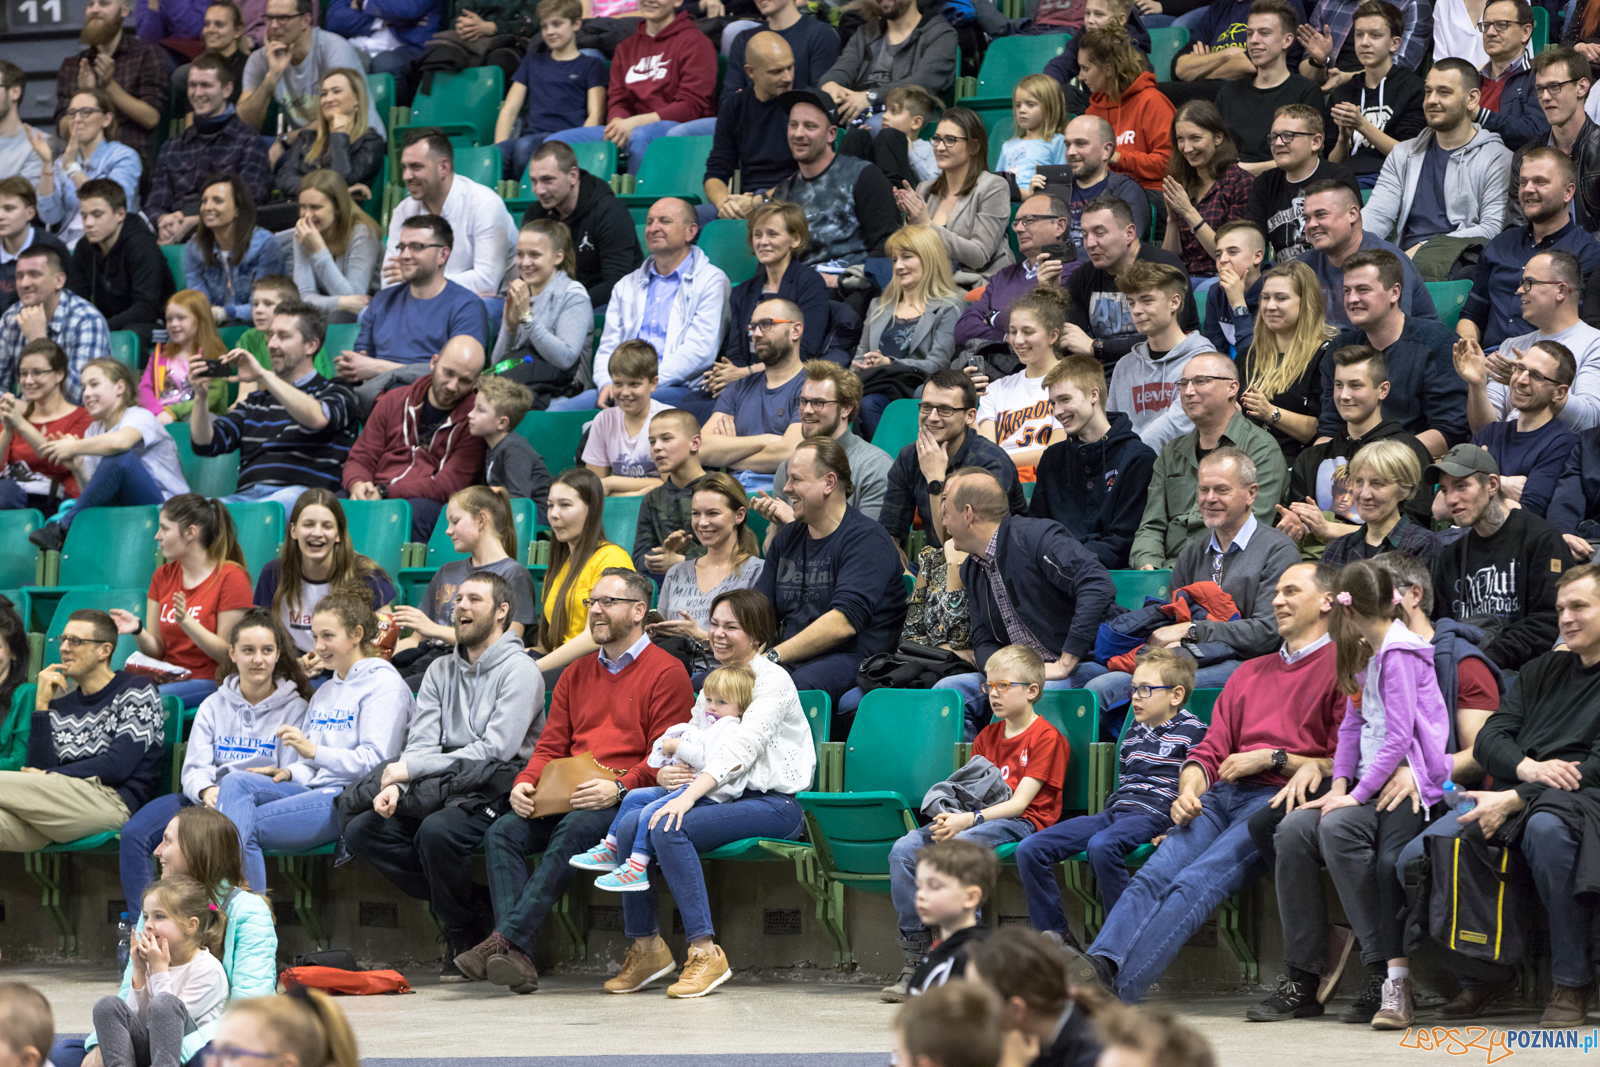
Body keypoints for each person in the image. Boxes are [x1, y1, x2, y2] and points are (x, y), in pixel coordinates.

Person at [1066, 561, 1345, 1004]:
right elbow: (1209, 750)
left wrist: (1272, 758)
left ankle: (1113, 997)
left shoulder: (1343, 667)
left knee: (1193, 882)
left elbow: (1345, 763)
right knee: (1152, 876)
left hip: (1279, 798)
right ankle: (1099, 965)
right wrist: (1189, 790)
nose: (1277, 599)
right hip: (1219, 797)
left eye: (1292, 591)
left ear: (1327, 601)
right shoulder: (1250, 672)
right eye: (1277, 592)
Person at [455, 568, 692, 992]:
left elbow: (667, 756)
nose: (595, 610)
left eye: (607, 602)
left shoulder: (667, 671)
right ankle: (518, 954)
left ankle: (501, 940)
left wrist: (618, 788)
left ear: (639, 611)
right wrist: (525, 783)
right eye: (591, 602)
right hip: (569, 790)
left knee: (575, 828)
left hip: (625, 795)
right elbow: (549, 747)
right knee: (503, 832)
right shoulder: (576, 673)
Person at [1248, 559, 1451, 1028]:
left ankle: (1382, 971)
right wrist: (1338, 785)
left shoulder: (1400, 653)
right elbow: (1353, 723)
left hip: (1407, 778)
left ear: (1350, 611)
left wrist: (1354, 796)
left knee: (1337, 826)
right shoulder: (1368, 649)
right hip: (1365, 779)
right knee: (1294, 827)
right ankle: (1303, 974)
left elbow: (1400, 737)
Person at [575, 605, 814, 998]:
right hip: (720, 795)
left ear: (756, 637)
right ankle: (646, 946)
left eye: (731, 627)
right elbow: (695, 743)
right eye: (714, 625)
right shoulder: (713, 681)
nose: (717, 634)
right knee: (634, 812)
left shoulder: (774, 681)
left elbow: (738, 749)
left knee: (670, 824)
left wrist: (685, 797)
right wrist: (670, 773)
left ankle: (705, 952)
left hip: (774, 804)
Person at [340, 569, 545, 970]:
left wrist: (410, 769)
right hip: (439, 783)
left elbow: (495, 750)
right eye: (460, 599)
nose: (461, 606)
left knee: (438, 832)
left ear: (502, 611)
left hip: (497, 782)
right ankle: (471, 909)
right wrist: (399, 784)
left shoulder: (521, 670)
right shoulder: (439, 670)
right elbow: (421, 741)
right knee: (362, 831)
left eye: (475, 600)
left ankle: (461, 930)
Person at [1436, 563, 1600, 1027]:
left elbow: (1595, 768)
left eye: (1580, 607)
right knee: (1428, 847)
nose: (1565, 618)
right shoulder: (1541, 669)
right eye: (1561, 608)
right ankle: (1484, 971)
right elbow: (1490, 740)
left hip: (1586, 798)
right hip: (1525, 790)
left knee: (1547, 833)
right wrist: (1526, 769)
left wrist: (1517, 796)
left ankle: (1572, 978)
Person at [886, 645, 1069, 992]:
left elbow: (1019, 804)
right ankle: (918, 958)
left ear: (1032, 691)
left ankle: (967, 960)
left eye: (1004, 686)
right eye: (989, 686)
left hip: (1024, 822)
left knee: (961, 849)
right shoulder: (986, 737)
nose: (994, 694)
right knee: (904, 849)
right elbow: (972, 793)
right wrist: (948, 818)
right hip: (975, 817)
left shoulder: (1047, 738)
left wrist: (967, 822)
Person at [215, 590, 412, 889]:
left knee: (241, 828)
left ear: (357, 634)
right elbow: (311, 765)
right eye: (315, 636)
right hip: (311, 788)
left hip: (348, 798)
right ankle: (237, 911)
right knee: (234, 782)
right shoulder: (325, 691)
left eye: (328, 636)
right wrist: (290, 771)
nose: (318, 647)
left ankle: (245, 921)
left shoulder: (385, 686)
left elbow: (377, 764)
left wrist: (314, 752)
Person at [116, 610, 309, 905]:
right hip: (206, 798)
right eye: (248, 650)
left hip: (259, 801)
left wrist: (237, 790)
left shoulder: (295, 708)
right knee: (136, 833)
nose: (258, 659)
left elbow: (287, 774)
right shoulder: (213, 704)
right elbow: (194, 768)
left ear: (278, 654)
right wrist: (206, 790)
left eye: (267, 650)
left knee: (227, 828)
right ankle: (144, 933)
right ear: (232, 653)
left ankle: (241, 926)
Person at [1017, 648, 1208, 945]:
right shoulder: (1132, 731)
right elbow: (1126, 783)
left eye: (1145, 690)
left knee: (1103, 845)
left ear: (1176, 694)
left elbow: (1202, 789)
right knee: (1030, 848)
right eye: (1133, 689)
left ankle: (1122, 945)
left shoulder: (1195, 731)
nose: (1135, 697)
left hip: (1155, 814)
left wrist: (1176, 830)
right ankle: (1056, 939)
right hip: (1117, 812)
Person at [934, 469, 1116, 729]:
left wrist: (1066, 661)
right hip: (1020, 678)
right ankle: (977, 770)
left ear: (968, 513)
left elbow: (1097, 584)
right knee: (947, 691)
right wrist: (999, 675)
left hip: (1084, 662)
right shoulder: (972, 568)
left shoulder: (1038, 537)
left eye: (946, 514)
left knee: (1037, 694)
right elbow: (983, 636)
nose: (943, 524)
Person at [575, 660, 765, 893]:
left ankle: (637, 868)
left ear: (742, 707)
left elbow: (710, 761)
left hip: (708, 794)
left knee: (649, 811)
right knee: (634, 797)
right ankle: (611, 847)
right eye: (710, 700)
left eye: (722, 702)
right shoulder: (710, 724)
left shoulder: (731, 726)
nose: (712, 707)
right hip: (683, 786)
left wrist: (677, 746)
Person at [0, 607, 162, 852]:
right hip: (53, 808)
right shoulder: (61, 703)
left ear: (104, 650)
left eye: (75, 641)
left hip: (110, 802)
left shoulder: (137, 690)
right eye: (63, 639)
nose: (64, 647)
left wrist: (49, 776)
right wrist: (42, 707)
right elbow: (40, 769)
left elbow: (118, 765)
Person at [759, 436, 906, 704]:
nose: (787, 488)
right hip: (795, 659)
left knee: (795, 686)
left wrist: (773, 657)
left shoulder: (867, 539)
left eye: (796, 480)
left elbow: (842, 624)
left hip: (857, 659)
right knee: (718, 683)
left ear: (829, 482)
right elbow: (759, 612)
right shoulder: (787, 538)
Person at [553, 199, 730, 414]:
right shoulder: (625, 284)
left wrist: (642, 385)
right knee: (558, 414)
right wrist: (608, 383)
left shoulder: (712, 280)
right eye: (649, 222)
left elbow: (700, 352)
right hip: (622, 387)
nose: (653, 228)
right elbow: (608, 347)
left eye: (664, 221)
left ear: (690, 231)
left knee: (627, 412)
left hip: (678, 388)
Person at [190, 302, 358, 510]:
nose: (272, 344)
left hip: (304, 499)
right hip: (247, 498)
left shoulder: (337, 390)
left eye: (283, 336)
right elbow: (206, 443)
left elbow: (317, 418)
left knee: (273, 507)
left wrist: (263, 375)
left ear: (311, 346)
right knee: (176, 515)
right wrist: (201, 396)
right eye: (271, 335)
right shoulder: (256, 401)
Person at [1361, 60, 1514, 282]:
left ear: (1471, 99)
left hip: (1458, 259)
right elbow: (1378, 214)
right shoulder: (1403, 153)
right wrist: (1350, 240)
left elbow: (1492, 228)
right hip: (1405, 260)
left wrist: (1426, 248)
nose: (1432, 100)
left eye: (1444, 92)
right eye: (1428, 92)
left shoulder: (1497, 157)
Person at [1129, 355, 1288, 567]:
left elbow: (1250, 531)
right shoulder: (1171, 452)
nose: (1188, 391)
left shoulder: (1261, 449)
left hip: (1225, 571)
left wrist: (1182, 574)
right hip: (1164, 572)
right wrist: (1148, 565)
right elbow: (1151, 526)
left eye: (1201, 381)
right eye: (1183, 383)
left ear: (1232, 388)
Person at [1429, 443, 1571, 670]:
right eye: (1445, 490)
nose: (1451, 499)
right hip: (1464, 672)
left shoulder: (1541, 540)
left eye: (1461, 486)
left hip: (1522, 676)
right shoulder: (1452, 555)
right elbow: (1441, 624)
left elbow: (1549, 622)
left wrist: (1483, 660)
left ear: (1492, 485)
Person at [1280, 344, 1435, 550]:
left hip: (1385, 563)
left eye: (1355, 385)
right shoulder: (1312, 457)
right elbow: (1301, 518)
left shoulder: (1409, 452)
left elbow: (1415, 532)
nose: (1344, 395)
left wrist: (1330, 530)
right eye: (1338, 385)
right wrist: (1296, 525)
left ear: (1383, 390)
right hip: (1319, 562)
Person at [25, 359, 188, 554]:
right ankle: (64, 530)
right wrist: (78, 467)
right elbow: (96, 492)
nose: (86, 393)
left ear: (119, 387)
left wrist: (75, 446)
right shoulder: (94, 431)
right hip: (124, 510)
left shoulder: (140, 416)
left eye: (94, 384)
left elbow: (120, 443)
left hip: (169, 509)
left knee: (121, 458)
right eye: (83, 387)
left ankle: (63, 529)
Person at [110, 494, 253, 709]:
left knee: (137, 700)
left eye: (165, 528)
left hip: (210, 681)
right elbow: (157, 650)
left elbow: (229, 654)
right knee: (105, 691)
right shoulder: (162, 576)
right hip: (167, 677)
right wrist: (138, 629)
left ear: (190, 533)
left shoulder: (231, 577)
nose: (157, 536)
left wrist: (187, 623)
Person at [1322, 248, 1467, 456]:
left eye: (1363, 290)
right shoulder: (1339, 349)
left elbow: (1449, 432)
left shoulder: (1438, 344)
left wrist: (1380, 460)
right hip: (1348, 467)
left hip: (1409, 468)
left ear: (1395, 292)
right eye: (1347, 291)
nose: (1352, 299)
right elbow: (1329, 428)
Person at [544, 0, 715, 175]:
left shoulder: (696, 42)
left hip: (674, 129)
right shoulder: (625, 47)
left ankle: (639, 201)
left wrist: (634, 123)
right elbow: (619, 100)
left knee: (641, 136)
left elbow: (691, 107)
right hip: (630, 127)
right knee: (556, 144)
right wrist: (617, 121)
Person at [342, 336, 486, 541]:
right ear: (434, 362)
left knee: (417, 513)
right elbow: (361, 457)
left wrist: (386, 493)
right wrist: (358, 485)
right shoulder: (393, 400)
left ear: (475, 382)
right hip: (374, 490)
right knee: (326, 507)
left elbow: (449, 485)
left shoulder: (474, 420)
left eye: (464, 380)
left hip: (422, 502)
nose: (452, 386)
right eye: (448, 373)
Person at [344, 215, 490, 412]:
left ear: (443, 255)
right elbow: (361, 362)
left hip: (430, 402)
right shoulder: (382, 299)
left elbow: (458, 375)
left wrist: (378, 368)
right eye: (402, 247)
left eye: (416, 247)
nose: (404, 255)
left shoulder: (467, 306)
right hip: (374, 396)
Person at [1463, 153, 1600, 356]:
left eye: (1540, 182)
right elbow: (1471, 316)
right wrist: (1470, 352)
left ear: (1568, 192)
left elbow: (1576, 331)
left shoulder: (1587, 253)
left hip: (1546, 367)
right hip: (1489, 362)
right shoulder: (1500, 244)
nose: (1527, 189)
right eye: (1523, 182)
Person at [879, 369, 1027, 553]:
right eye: (926, 407)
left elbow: (962, 549)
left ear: (970, 416)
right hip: (936, 567)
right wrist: (902, 573)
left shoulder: (990, 462)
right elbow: (890, 533)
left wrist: (935, 480)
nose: (932, 417)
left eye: (945, 409)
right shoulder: (909, 457)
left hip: (988, 568)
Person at [769, 90, 899, 299]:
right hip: (801, 294)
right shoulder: (783, 193)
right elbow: (772, 253)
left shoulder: (863, 175)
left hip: (853, 291)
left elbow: (890, 242)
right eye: (793, 125)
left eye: (810, 126)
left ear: (831, 134)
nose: (798, 133)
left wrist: (843, 280)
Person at [390, 486, 538, 669]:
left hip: (468, 665)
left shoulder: (513, 574)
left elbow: (507, 643)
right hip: (428, 657)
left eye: (455, 521)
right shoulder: (446, 572)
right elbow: (414, 640)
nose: (448, 531)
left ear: (481, 520)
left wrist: (435, 629)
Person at [1031, 355, 1156, 569]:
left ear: (1093, 395)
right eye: (1053, 403)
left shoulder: (1138, 458)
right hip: (1053, 577)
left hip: (1109, 580)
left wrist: (1062, 558)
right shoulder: (1052, 458)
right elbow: (1035, 530)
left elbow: (1123, 544)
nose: (1057, 411)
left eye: (1065, 399)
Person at [91, 875, 229, 1067]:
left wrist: (159, 972)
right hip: (152, 1051)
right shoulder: (152, 962)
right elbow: (138, 1022)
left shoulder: (208, 969)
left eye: (160, 916)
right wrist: (139, 972)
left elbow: (168, 1026)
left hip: (188, 1055)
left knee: (164, 1003)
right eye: (146, 916)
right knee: (107, 1006)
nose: (148, 924)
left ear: (191, 925)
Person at [144, 52, 272, 247]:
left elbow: (250, 203)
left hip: (227, 241)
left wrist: (193, 222)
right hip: (173, 238)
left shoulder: (249, 141)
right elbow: (155, 204)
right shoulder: (173, 147)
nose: (197, 93)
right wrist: (164, 221)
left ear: (227, 89)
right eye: (193, 85)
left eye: (206, 85)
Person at [1062, 196, 1198, 371]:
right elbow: (1069, 340)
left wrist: (1097, 347)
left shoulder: (1162, 267)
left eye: (1100, 233)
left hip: (1168, 367)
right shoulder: (1083, 277)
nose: (1090, 243)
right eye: (1085, 234)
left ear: (1129, 233)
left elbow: (1169, 336)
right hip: (1110, 375)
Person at [253, 489, 397, 655]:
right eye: (308, 524)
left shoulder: (366, 574)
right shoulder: (273, 573)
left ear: (338, 534)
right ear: (293, 531)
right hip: (294, 669)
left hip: (350, 670)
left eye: (327, 526)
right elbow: (267, 636)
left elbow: (385, 640)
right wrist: (296, 666)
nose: (317, 533)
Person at [853, 225, 964, 437]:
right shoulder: (879, 306)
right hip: (875, 385)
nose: (898, 266)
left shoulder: (949, 306)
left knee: (871, 404)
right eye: (894, 259)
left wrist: (890, 363)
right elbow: (859, 356)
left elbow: (937, 364)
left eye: (906, 257)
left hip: (919, 389)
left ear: (928, 259)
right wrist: (862, 365)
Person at [382, 130, 515, 301]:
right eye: (404, 168)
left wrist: (423, 280)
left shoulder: (484, 204)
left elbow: (486, 281)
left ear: (443, 167)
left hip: (483, 301)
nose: (407, 176)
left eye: (416, 167)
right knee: (370, 314)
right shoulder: (403, 210)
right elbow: (390, 278)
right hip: (423, 299)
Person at [761, 361, 894, 531]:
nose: (807, 410)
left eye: (818, 403)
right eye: (803, 401)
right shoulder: (788, 466)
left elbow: (868, 545)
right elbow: (772, 552)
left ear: (846, 408)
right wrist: (778, 525)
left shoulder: (874, 467)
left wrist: (794, 525)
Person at [530, 469, 637, 680]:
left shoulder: (612, 558)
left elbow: (594, 637)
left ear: (592, 509)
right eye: (550, 505)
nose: (554, 514)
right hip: (561, 663)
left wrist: (532, 668)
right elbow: (547, 645)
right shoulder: (562, 565)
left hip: (596, 669)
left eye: (565, 505)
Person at [646, 474, 766, 660]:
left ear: (739, 515)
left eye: (713, 513)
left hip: (728, 677)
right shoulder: (676, 573)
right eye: (696, 513)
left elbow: (755, 651)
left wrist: (699, 636)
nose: (702, 523)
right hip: (673, 672)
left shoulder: (757, 571)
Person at [697, 297, 808, 493]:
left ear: (795, 330)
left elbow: (789, 453)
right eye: (753, 326)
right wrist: (767, 439)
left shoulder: (811, 387)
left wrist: (730, 454)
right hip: (732, 493)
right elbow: (703, 449)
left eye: (766, 324)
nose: (756, 334)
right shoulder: (737, 388)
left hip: (784, 493)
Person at [1459, 338, 1578, 518]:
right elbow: (1441, 503)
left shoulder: (1562, 444)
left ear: (1559, 393)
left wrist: (1472, 485)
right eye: (1520, 368)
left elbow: (1528, 514)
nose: (1521, 380)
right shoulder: (1491, 432)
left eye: (1536, 376)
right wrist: (1500, 483)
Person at [715, 200, 832, 380]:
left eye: (772, 234)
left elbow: (805, 351)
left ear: (795, 239)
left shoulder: (809, 283)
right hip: (746, 381)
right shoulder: (743, 292)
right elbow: (736, 353)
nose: (763, 242)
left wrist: (746, 372)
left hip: (789, 382)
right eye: (757, 234)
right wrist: (730, 374)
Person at [1298, 179, 1438, 330]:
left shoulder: (1386, 262)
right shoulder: (1303, 265)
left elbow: (1393, 338)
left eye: (1321, 215)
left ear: (1352, 214)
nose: (1311, 224)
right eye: (1307, 219)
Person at [492, 0, 607, 183]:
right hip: (532, 137)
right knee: (496, 154)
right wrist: (498, 148)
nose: (550, 32)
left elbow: (596, 115)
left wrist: (583, 148)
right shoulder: (532, 61)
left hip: (566, 138)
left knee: (524, 147)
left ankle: (526, 195)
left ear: (576, 24)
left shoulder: (591, 65)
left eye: (557, 24)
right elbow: (510, 109)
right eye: (545, 26)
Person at [894, 108, 1014, 281]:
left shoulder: (993, 187)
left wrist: (928, 226)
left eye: (950, 140)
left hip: (973, 284)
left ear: (974, 146)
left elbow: (979, 256)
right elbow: (909, 251)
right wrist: (910, 220)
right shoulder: (925, 190)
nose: (940, 147)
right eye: (936, 139)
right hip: (927, 282)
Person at [1106, 261, 1215, 451]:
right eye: (1131, 303)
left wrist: (1131, 458)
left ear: (1174, 302)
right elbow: (1112, 424)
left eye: (1147, 301)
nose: (1137, 310)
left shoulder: (1203, 360)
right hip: (1128, 468)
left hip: (1180, 470)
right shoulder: (1124, 365)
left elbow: (1178, 425)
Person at [519, 140, 642, 308]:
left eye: (548, 180)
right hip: (551, 303)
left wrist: (566, 307)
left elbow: (617, 283)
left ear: (573, 176)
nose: (539, 190)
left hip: (601, 305)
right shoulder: (536, 213)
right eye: (534, 181)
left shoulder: (609, 212)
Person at [1236, 260, 1336, 461]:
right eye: (1265, 298)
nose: (1270, 306)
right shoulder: (1247, 356)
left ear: (1306, 302)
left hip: (1293, 463)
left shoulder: (1326, 355)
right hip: (1242, 461)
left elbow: (1323, 429)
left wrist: (1270, 412)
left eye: (1281, 298)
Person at [239, 0, 384, 134]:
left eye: (283, 18)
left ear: (305, 20)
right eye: (269, 18)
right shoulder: (261, 59)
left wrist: (289, 139)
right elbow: (245, 123)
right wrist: (271, 77)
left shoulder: (333, 48)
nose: (274, 25)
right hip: (309, 146)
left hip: (358, 142)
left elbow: (342, 116)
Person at [953, 193, 1071, 358]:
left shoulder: (1070, 273)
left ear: (1059, 226)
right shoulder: (1004, 275)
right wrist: (1006, 337)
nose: (1018, 229)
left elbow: (1041, 325)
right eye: (1016, 223)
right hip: (992, 368)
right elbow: (963, 328)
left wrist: (993, 317)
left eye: (1028, 220)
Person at [51, 0, 168, 166]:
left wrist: (109, 86)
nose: (95, 10)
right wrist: (86, 96)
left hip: (133, 163)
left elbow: (151, 118)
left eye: (104, 4)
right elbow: (63, 129)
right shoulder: (73, 65)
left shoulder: (146, 55)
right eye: (90, 4)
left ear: (124, 10)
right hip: (82, 163)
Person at [489, 218, 591, 407]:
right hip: (521, 382)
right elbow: (499, 364)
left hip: (564, 389)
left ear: (558, 257)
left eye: (535, 255)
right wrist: (510, 328)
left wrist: (527, 318)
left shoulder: (573, 294)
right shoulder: (520, 292)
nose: (525, 263)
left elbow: (566, 358)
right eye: (520, 255)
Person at [1325, 0, 1427, 187]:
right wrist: (1343, 138)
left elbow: (1409, 156)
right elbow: (1331, 164)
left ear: (1395, 43)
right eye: (1359, 35)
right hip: (1344, 183)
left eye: (1375, 35)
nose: (1364, 43)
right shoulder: (1342, 93)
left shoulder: (1413, 89)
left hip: (1391, 182)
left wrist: (1362, 125)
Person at [1215, 1, 1327, 171]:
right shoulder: (1229, 92)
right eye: (1249, 33)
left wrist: (1243, 170)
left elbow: (1309, 159)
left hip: (1284, 186)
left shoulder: (1306, 91)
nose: (1253, 41)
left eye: (1264, 33)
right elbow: (1217, 154)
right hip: (1232, 189)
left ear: (1287, 40)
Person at [701, 33, 798, 228]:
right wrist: (723, 203)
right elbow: (716, 169)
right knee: (686, 220)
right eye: (777, 71)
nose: (787, 77)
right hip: (746, 200)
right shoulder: (734, 107)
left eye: (790, 67)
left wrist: (760, 200)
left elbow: (810, 173)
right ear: (751, 72)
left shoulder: (803, 104)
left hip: (790, 199)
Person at [1243, 105, 1361, 263]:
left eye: (1288, 135)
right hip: (1284, 278)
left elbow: (1350, 241)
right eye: (1274, 137)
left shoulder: (1337, 178)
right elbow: (1251, 242)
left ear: (1316, 142)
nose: (1277, 143)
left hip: (1329, 272)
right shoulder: (1264, 183)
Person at [884, 839, 998, 999]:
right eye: (920, 886)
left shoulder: (977, 961)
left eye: (934, 886)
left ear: (971, 896)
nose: (920, 895)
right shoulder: (934, 958)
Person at [67, 180, 173, 349]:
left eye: (97, 214)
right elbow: (76, 300)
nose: (88, 223)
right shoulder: (84, 247)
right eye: (84, 216)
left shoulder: (141, 245)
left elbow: (146, 308)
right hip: (111, 323)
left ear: (120, 214)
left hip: (155, 325)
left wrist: (100, 326)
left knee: (128, 336)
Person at [818, 0, 957, 127]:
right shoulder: (865, 33)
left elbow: (923, 83)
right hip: (858, 111)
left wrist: (871, 96)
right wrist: (830, 84)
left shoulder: (941, 34)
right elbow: (843, 67)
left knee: (877, 125)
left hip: (906, 118)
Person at [33, 89, 142, 249]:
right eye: (72, 113)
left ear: (106, 119)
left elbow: (110, 204)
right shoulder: (61, 162)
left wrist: (73, 170)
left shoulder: (124, 156)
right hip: (67, 246)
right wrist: (46, 164)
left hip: (113, 245)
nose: (77, 119)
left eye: (86, 112)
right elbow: (50, 216)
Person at [1507, 47, 1600, 232]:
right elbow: (1516, 229)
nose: (1546, 97)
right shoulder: (1525, 157)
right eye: (1540, 89)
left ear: (1582, 87)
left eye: (1555, 87)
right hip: (1537, 256)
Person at [0, 245, 109, 403]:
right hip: (25, 414)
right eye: (19, 276)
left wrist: (39, 342)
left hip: (74, 422)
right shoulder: (11, 317)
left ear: (59, 281)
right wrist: (9, 405)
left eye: (34, 274)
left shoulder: (86, 320)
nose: (24, 283)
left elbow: (82, 395)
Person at [976, 289, 1067, 475]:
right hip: (1002, 483)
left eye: (1028, 332)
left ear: (1053, 336)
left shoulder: (1073, 379)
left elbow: (1057, 453)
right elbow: (984, 453)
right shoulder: (995, 389)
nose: (1018, 340)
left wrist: (998, 461)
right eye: (1012, 332)